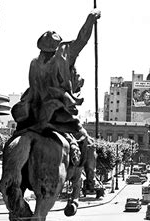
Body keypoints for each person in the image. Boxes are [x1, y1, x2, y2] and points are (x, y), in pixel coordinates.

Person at [11, 9, 101, 165]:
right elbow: (82, 39)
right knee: (88, 143)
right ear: (57, 46)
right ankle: (90, 181)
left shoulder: (34, 63)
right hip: (59, 114)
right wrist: (92, 17)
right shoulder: (62, 58)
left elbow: (32, 89)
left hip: (33, 114)